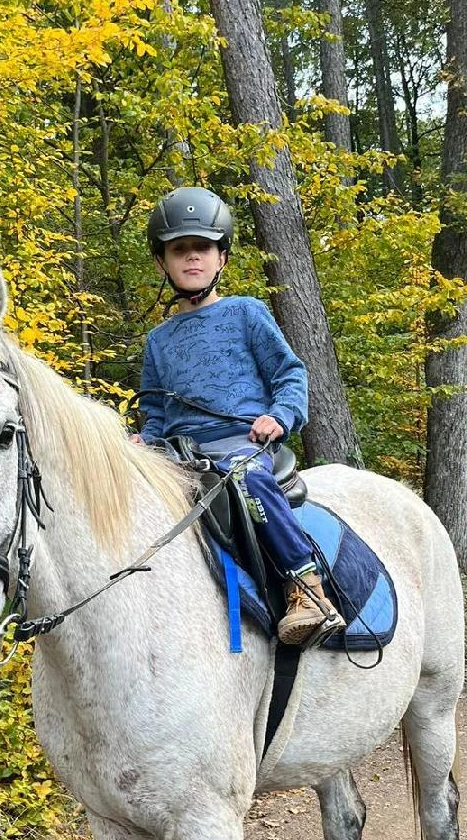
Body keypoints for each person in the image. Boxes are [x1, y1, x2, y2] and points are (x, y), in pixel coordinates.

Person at [136, 186, 345, 647]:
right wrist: (143, 439)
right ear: (162, 263)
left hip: (243, 442)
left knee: (244, 476)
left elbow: (290, 373)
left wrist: (280, 415)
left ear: (221, 258)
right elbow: (153, 409)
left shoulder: (246, 312)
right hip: (177, 452)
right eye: (179, 249)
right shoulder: (158, 340)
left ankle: (305, 584)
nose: (192, 258)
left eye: (203, 248)